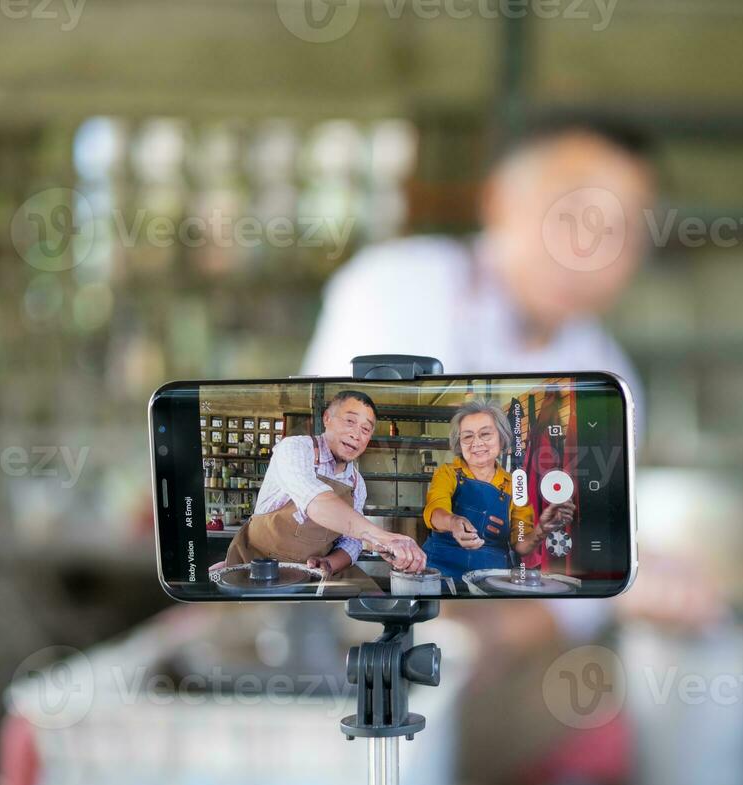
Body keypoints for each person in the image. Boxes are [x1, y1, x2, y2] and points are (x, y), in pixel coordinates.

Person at [301, 117, 655, 644]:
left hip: (498, 642)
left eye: (617, 229)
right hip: (346, 609)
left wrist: (502, 633)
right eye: (568, 212)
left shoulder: (612, 380)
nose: (586, 250)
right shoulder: (397, 284)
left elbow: (582, 566)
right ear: (499, 202)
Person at [222, 390, 426, 591]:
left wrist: (329, 563)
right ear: (327, 418)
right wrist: (382, 537)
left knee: (374, 603)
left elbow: (352, 541)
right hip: (258, 567)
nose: (356, 434)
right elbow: (317, 501)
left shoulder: (356, 483)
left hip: (316, 573)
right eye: (350, 422)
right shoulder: (295, 449)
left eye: (366, 429)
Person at [422, 400, 575, 578]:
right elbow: (435, 510)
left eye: (485, 434)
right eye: (467, 436)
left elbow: (521, 544)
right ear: (459, 443)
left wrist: (541, 530)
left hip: (491, 578)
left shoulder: (514, 485)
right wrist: (453, 522)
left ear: (501, 439)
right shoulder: (447, 473)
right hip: (440, 570)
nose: (476, 443)